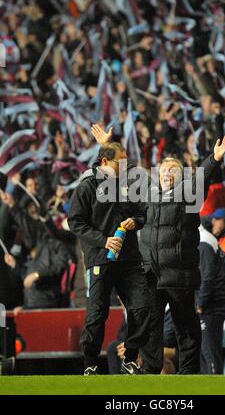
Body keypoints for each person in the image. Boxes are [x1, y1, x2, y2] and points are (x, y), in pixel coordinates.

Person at [139, 136, 225, 374]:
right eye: (163, 169)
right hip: (151, 275)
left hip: (178, 275)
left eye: (173, 170)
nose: (167, 173)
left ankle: (188, 375)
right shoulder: (147, 197)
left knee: (186, 329)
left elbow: (202, 177)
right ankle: (149, 373)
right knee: (151, 328)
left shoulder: (188, 195)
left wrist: (214, 159)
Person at [68, 140, 150, 375]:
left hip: (130, 259)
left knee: (142, 306)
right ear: (105, 162)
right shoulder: (87, 187)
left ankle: (131, 358)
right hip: (101, 259)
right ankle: (90, 364)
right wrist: (103, 240)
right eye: (120, 162)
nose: (125, 167)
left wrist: (136, 221)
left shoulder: (126, 186)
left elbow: (142, 211)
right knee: (97, 313)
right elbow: (75, 221)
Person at [196, 224, 225, 374]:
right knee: (204, 351)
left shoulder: (203, 242)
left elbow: (208, 276)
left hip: (211, 305)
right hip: (210, 304)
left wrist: (200, 302)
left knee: (210, 352)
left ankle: (216, 388)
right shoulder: (202, 240)